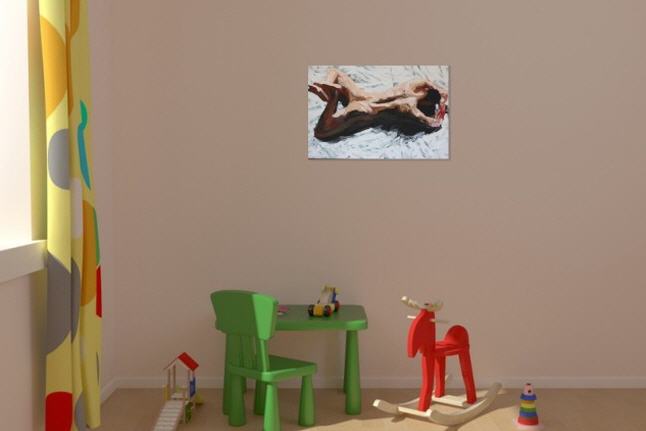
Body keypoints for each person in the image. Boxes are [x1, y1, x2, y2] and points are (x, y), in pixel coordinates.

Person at [308, 67, 449, 142]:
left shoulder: (413, 86)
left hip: (361, 96)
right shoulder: (411, 106)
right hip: (366, 108)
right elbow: (431, 122)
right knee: (321, 132)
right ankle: (333, 96)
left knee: (335, 72)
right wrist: (440, 115)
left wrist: (442, 98)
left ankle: (331, 92)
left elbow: (436, 88)